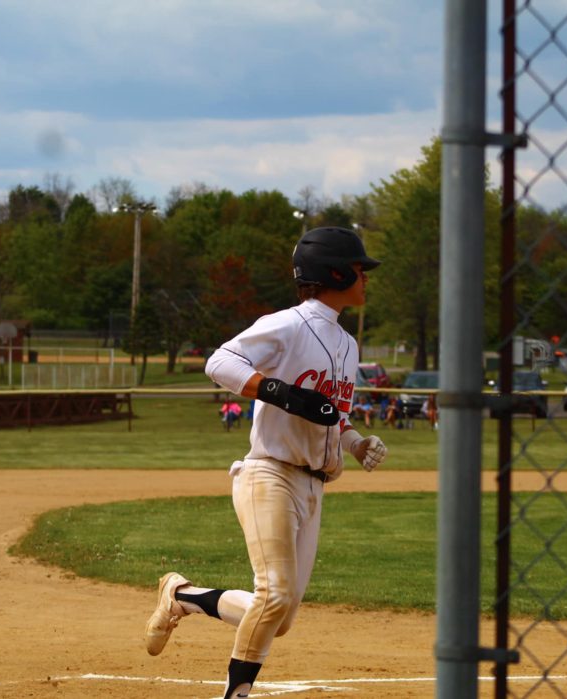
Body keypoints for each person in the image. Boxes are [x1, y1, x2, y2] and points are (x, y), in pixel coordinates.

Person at [143, 227, 389, 699]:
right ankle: (236, 695)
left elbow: (331, 415)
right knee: (272, 597)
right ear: (334, 273)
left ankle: (182, 596)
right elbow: (220, 362)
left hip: (313, 487)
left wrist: (355, 442)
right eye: (359, 270)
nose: (365, 278)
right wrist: (282, 393)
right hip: (269, 474)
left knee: (279, 618)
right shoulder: (289, 324)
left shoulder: (348, 344)